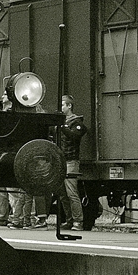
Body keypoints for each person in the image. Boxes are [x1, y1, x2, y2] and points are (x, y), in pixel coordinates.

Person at [57, 94, 89, 230]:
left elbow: (74, 136)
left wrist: (62, 126)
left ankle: (78, 221)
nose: (61, 107)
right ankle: (69, 220)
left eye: (63, 105)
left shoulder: (77, 123)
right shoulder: (61, 122)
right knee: (63, 194)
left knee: (71, 193)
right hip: (60, 160)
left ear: (69, 106)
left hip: (71, 160)